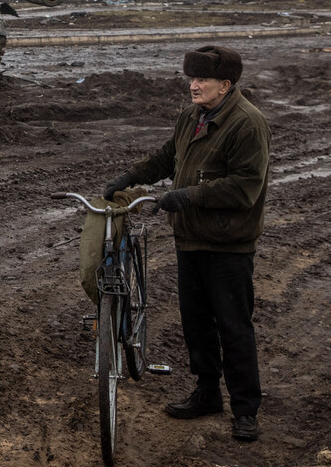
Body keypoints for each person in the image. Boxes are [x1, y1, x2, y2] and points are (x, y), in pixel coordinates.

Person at [102, 45, 270, 442]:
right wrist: (128, 177)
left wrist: (188, 196)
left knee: (234, 327)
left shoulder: (248, 123)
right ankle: (207, 394)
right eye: (191, 79)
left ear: (225, 85)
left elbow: (245, 187)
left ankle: (246, 410)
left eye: (202, 81)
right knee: (196, 324)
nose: (193, 86)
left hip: (228, 244)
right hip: (190, 239)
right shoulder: (191, 116)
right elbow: (167, 158)